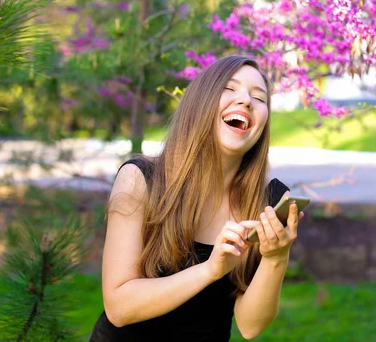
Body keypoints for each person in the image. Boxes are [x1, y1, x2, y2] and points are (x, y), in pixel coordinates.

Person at [90, 56, 304, 341]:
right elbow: (119, 307)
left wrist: (276, 257)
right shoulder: (140, 179)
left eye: (258, 96)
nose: (245, 101)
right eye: (230, 88)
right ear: (200, 102)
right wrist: (210, 271)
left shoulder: (267, 201)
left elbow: (250, 326)